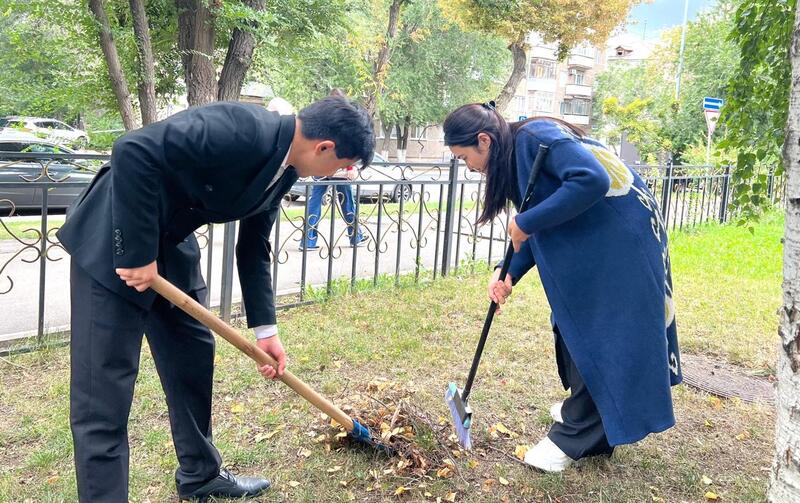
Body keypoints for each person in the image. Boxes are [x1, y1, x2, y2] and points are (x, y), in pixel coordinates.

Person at [56, 96, 374, 501]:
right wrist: (137, 254)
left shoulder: (287, 167)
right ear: (324, 147)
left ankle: (200, 473)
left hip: (171, 244)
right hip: (113, 240)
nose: (339, 174)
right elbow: (132, 149)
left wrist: (266, 331)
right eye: (343, 165)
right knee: (104, 391)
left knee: (191, 360)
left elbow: (254, 244)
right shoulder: (241, 127)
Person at [443, 102, 681, 472]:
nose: (466, 166)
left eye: (463, 157)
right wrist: (506, 273)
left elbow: (592, 179)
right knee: (571, 325)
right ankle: (596, 430)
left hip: (622, 242)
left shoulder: (535, 138)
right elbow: (538, 221)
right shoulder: (516, 153)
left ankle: (574, 432)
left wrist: (525, 221)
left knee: (596, 333)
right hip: (603, 243)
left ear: (484, 140)